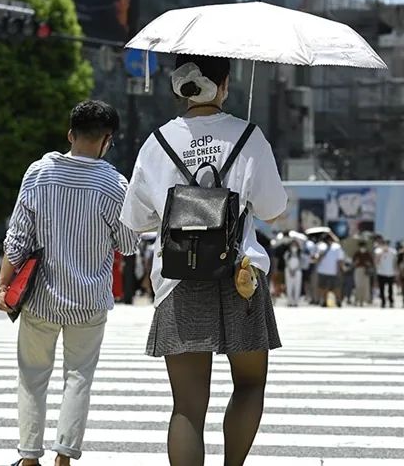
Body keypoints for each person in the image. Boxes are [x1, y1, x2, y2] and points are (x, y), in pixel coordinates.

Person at [119, 54, 287, 466]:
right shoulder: (248, 136)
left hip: (179, 278)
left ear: (179, 86)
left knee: (187, 407)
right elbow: (271, 208)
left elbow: (137, 219)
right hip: (240, 274)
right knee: (249, 384)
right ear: (225, 84)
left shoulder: (157, 142)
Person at [0, 100, 140, 466]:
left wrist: (3, 285)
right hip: (89, 300)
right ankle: (64, 457)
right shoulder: (114, 184)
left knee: (32, 377)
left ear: (70, 134)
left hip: (40, 298)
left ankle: (29, 458)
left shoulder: (38, 173)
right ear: (107, 140)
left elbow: (17, 237)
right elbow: (128, 243)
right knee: (78, 378)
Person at [284, 241, 304, 306]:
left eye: (295, 246)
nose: (294, 247)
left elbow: (301, 263)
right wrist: (290, 270)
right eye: (292, 246)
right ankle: (289, 301)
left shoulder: (300, 254)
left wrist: (295, 270)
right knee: (289, 285)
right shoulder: (287, 254)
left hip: (297, 271)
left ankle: (296, 301)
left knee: (297, 286)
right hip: (288, 271)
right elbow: (286, 263)